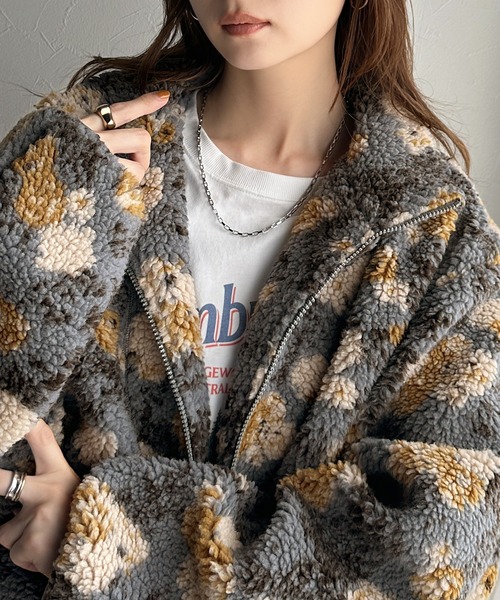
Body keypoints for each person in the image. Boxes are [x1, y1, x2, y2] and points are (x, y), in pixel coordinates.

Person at [0, 0, 499, 597]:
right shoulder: (80, 150)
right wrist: (47, 238)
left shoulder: (434, 226)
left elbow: (443, 543)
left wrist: (108, 540)